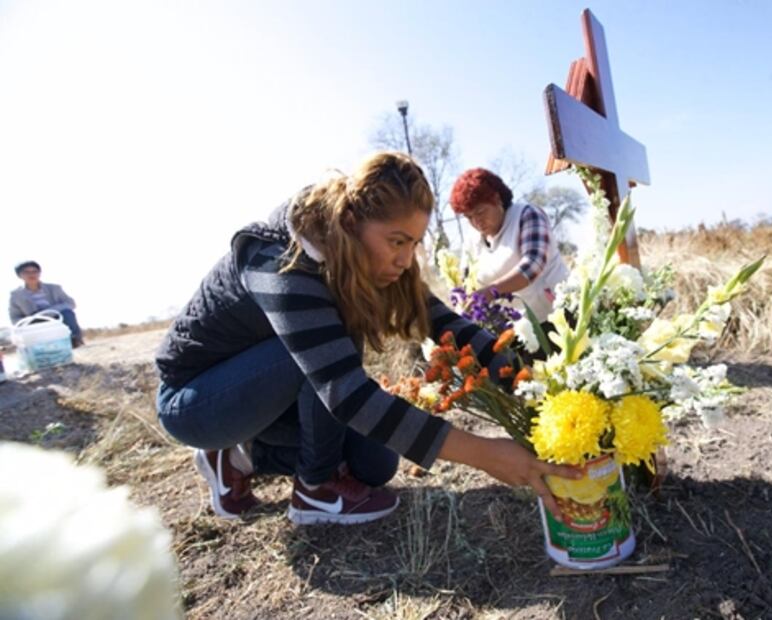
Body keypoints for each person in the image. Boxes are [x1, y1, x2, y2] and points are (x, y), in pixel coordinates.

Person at [154, 152, 578, 526]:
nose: (405, 259)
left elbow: (448, 325)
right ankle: (314, 491)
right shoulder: (279, 259)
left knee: (375, 463)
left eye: (413, 243)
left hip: (269, 395)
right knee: (323, 349)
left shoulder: (367, 253)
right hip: (196, 401)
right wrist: (485, 454)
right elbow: (347, 394)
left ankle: (239, 458)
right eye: (397, 242)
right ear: (352, 222)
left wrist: (535, 390)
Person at [450, 168, 570, 320]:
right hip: (516, 328)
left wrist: (490, 292)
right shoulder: (472, 239)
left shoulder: (527, 215)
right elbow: (465, 279)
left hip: (556, 317)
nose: (476, 222)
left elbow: (533, 265)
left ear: (497, 199)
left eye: (480, 212)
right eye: (469, 217)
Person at [9, 261, 84, 347]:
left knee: (67, 313)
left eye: (35, 271)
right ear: (19, 275)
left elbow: (71, 303)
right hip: (34, 322)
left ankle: (75, 340)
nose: (32, 275)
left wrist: (51, 311)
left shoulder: (55, 288)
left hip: (57, 317)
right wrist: (29, 320)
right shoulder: (16, 295)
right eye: (27, 272)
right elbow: (14, 317)